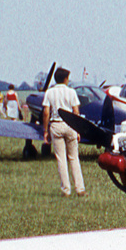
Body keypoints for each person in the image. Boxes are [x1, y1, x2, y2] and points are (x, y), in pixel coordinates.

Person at [42, 67, 86, 197]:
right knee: (74, 158)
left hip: (56, 125)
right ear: (65, 79)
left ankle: (66, 190)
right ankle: (80, 188)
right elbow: (76, 112)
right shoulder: (71, 92)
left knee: (61, 159)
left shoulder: (49, 92)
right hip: (70, 125)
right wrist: (78, 129)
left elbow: (45, 112)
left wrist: (45, 130)